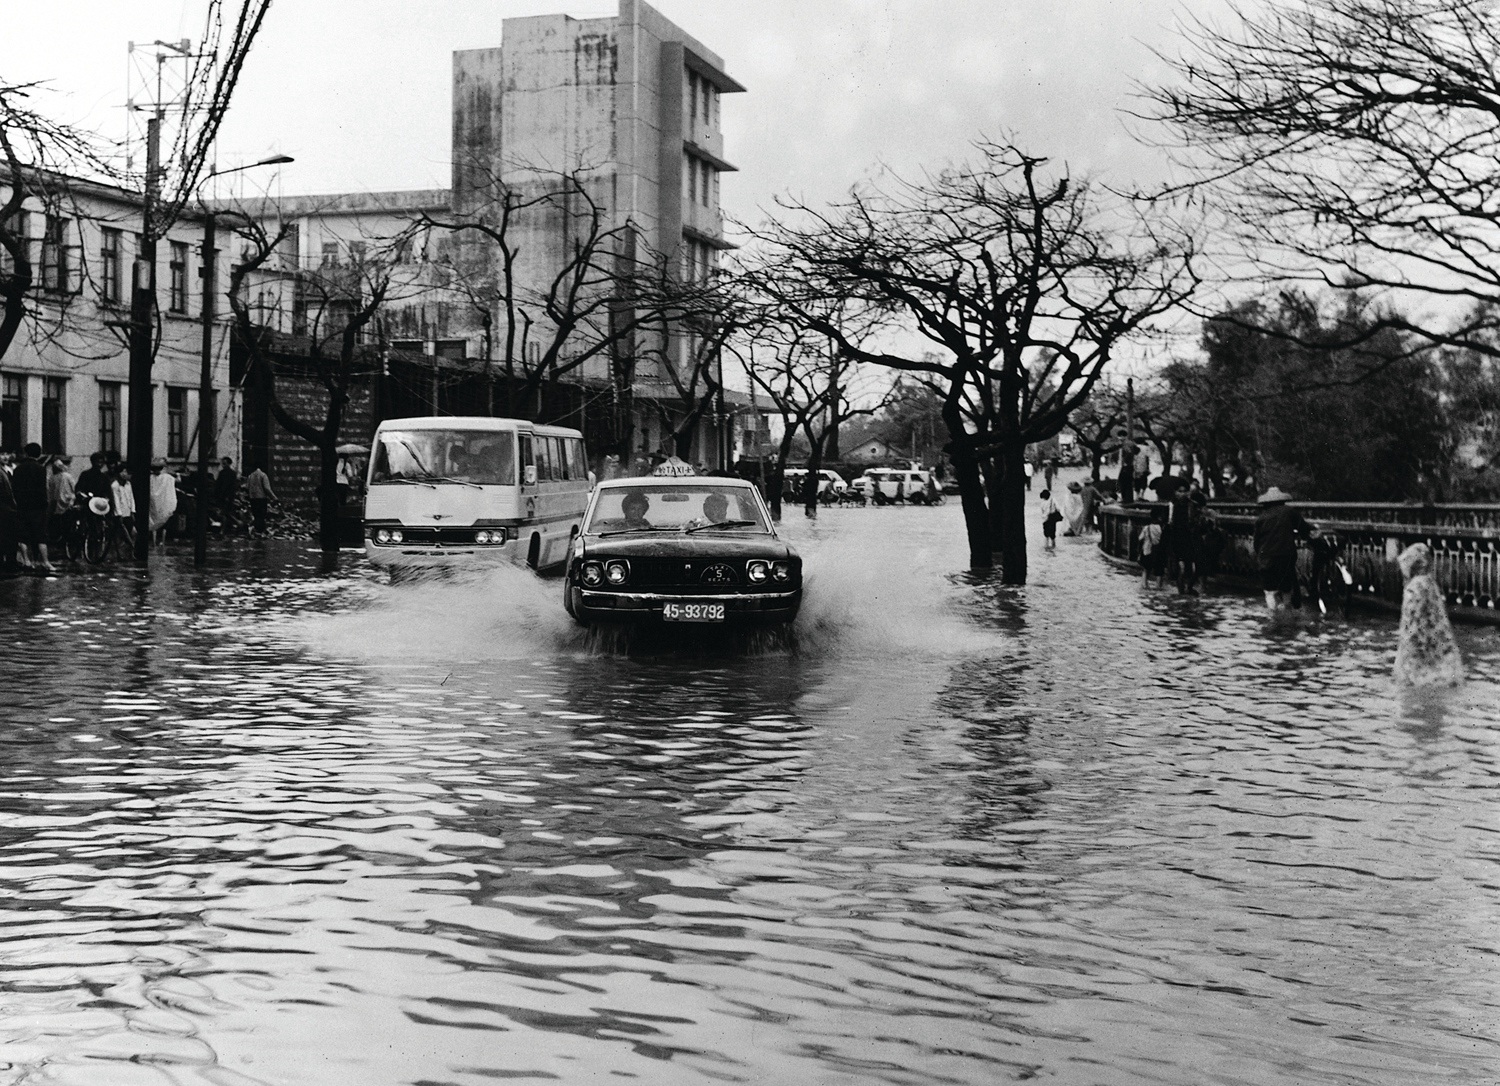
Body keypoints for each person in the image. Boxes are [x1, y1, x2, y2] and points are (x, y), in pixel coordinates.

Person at [1393, 543, 1464, 691]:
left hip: (1418, 650)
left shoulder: (1414, 587)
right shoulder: (1430, 582)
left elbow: (1411, 623)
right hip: (1438, 648)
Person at [1252, 486, 1311, 611]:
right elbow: (1304, 529)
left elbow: (1256, 543)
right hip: (1285, 555)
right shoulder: (1289, 512)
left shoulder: (1261, 518)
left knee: (1269, 591)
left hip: (1267, 557)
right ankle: (1286, 613)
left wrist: (1260, 557)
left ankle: (1273, 616)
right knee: (1286, 588)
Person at [11, 443, 53, 572]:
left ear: (26, 453)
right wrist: (45, 504)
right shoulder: (40, 468)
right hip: (38, 507)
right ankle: (45, 562)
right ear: (39, 453)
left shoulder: (18, 469)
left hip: (22, 506)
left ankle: (27, 561)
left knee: (23, 535)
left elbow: (15, 489)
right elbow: (43, 489)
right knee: (40, 535)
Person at [148, 458, 178, 546]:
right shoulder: (167, 477)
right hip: (165, 504)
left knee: (154, 523)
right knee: (164, 523)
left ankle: (154, 541)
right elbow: (178, 480)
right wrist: (176, 473)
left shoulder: (150, 478)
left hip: (154, 504)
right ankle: (162, 541)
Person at [244, 463, 277, 537]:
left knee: (256, 515)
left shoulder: (250, 476)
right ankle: (260, 531)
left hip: (253, 498)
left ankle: (256, 531)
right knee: (261, 515)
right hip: (261, 498)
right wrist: (274, 497)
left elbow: (247, 487)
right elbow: (267, 488)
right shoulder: (263, 475)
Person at [1138, 506, 1167, 587]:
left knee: (1146, 570)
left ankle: (1145, 586)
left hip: (1147, 551)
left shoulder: (1146, 528)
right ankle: (1158, 587)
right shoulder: (1163, 528)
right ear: (1160, 517)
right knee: (1159, 572)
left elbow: (1140, 539)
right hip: (1159, 552)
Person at [213, 457, 240, 535]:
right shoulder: (230, 473)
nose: (223, 465)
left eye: (224, 463)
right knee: (226, 513)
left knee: (224, 513)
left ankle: (223, 530)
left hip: (225, 496)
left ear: (229, 463)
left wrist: (225, 496)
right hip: (226, 496)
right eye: (222, 463)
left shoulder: (227, 473)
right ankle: (235, 525)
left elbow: (228, 486)